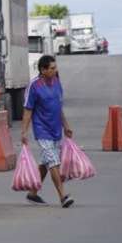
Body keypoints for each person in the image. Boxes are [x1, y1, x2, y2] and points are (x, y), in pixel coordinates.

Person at [21, 54, 74, 208]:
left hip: (55, 130)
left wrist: (66, 126)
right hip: (42, 130)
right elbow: (28, 110)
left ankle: (32, 193)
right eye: (52, 68)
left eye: (55, 67)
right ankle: (63, 196)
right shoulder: (34, 86)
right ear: (43, 70)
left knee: (46, 162)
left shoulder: (57, 83)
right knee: (53, 162)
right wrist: (24, 132)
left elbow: (59, 107)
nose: (55, 70)